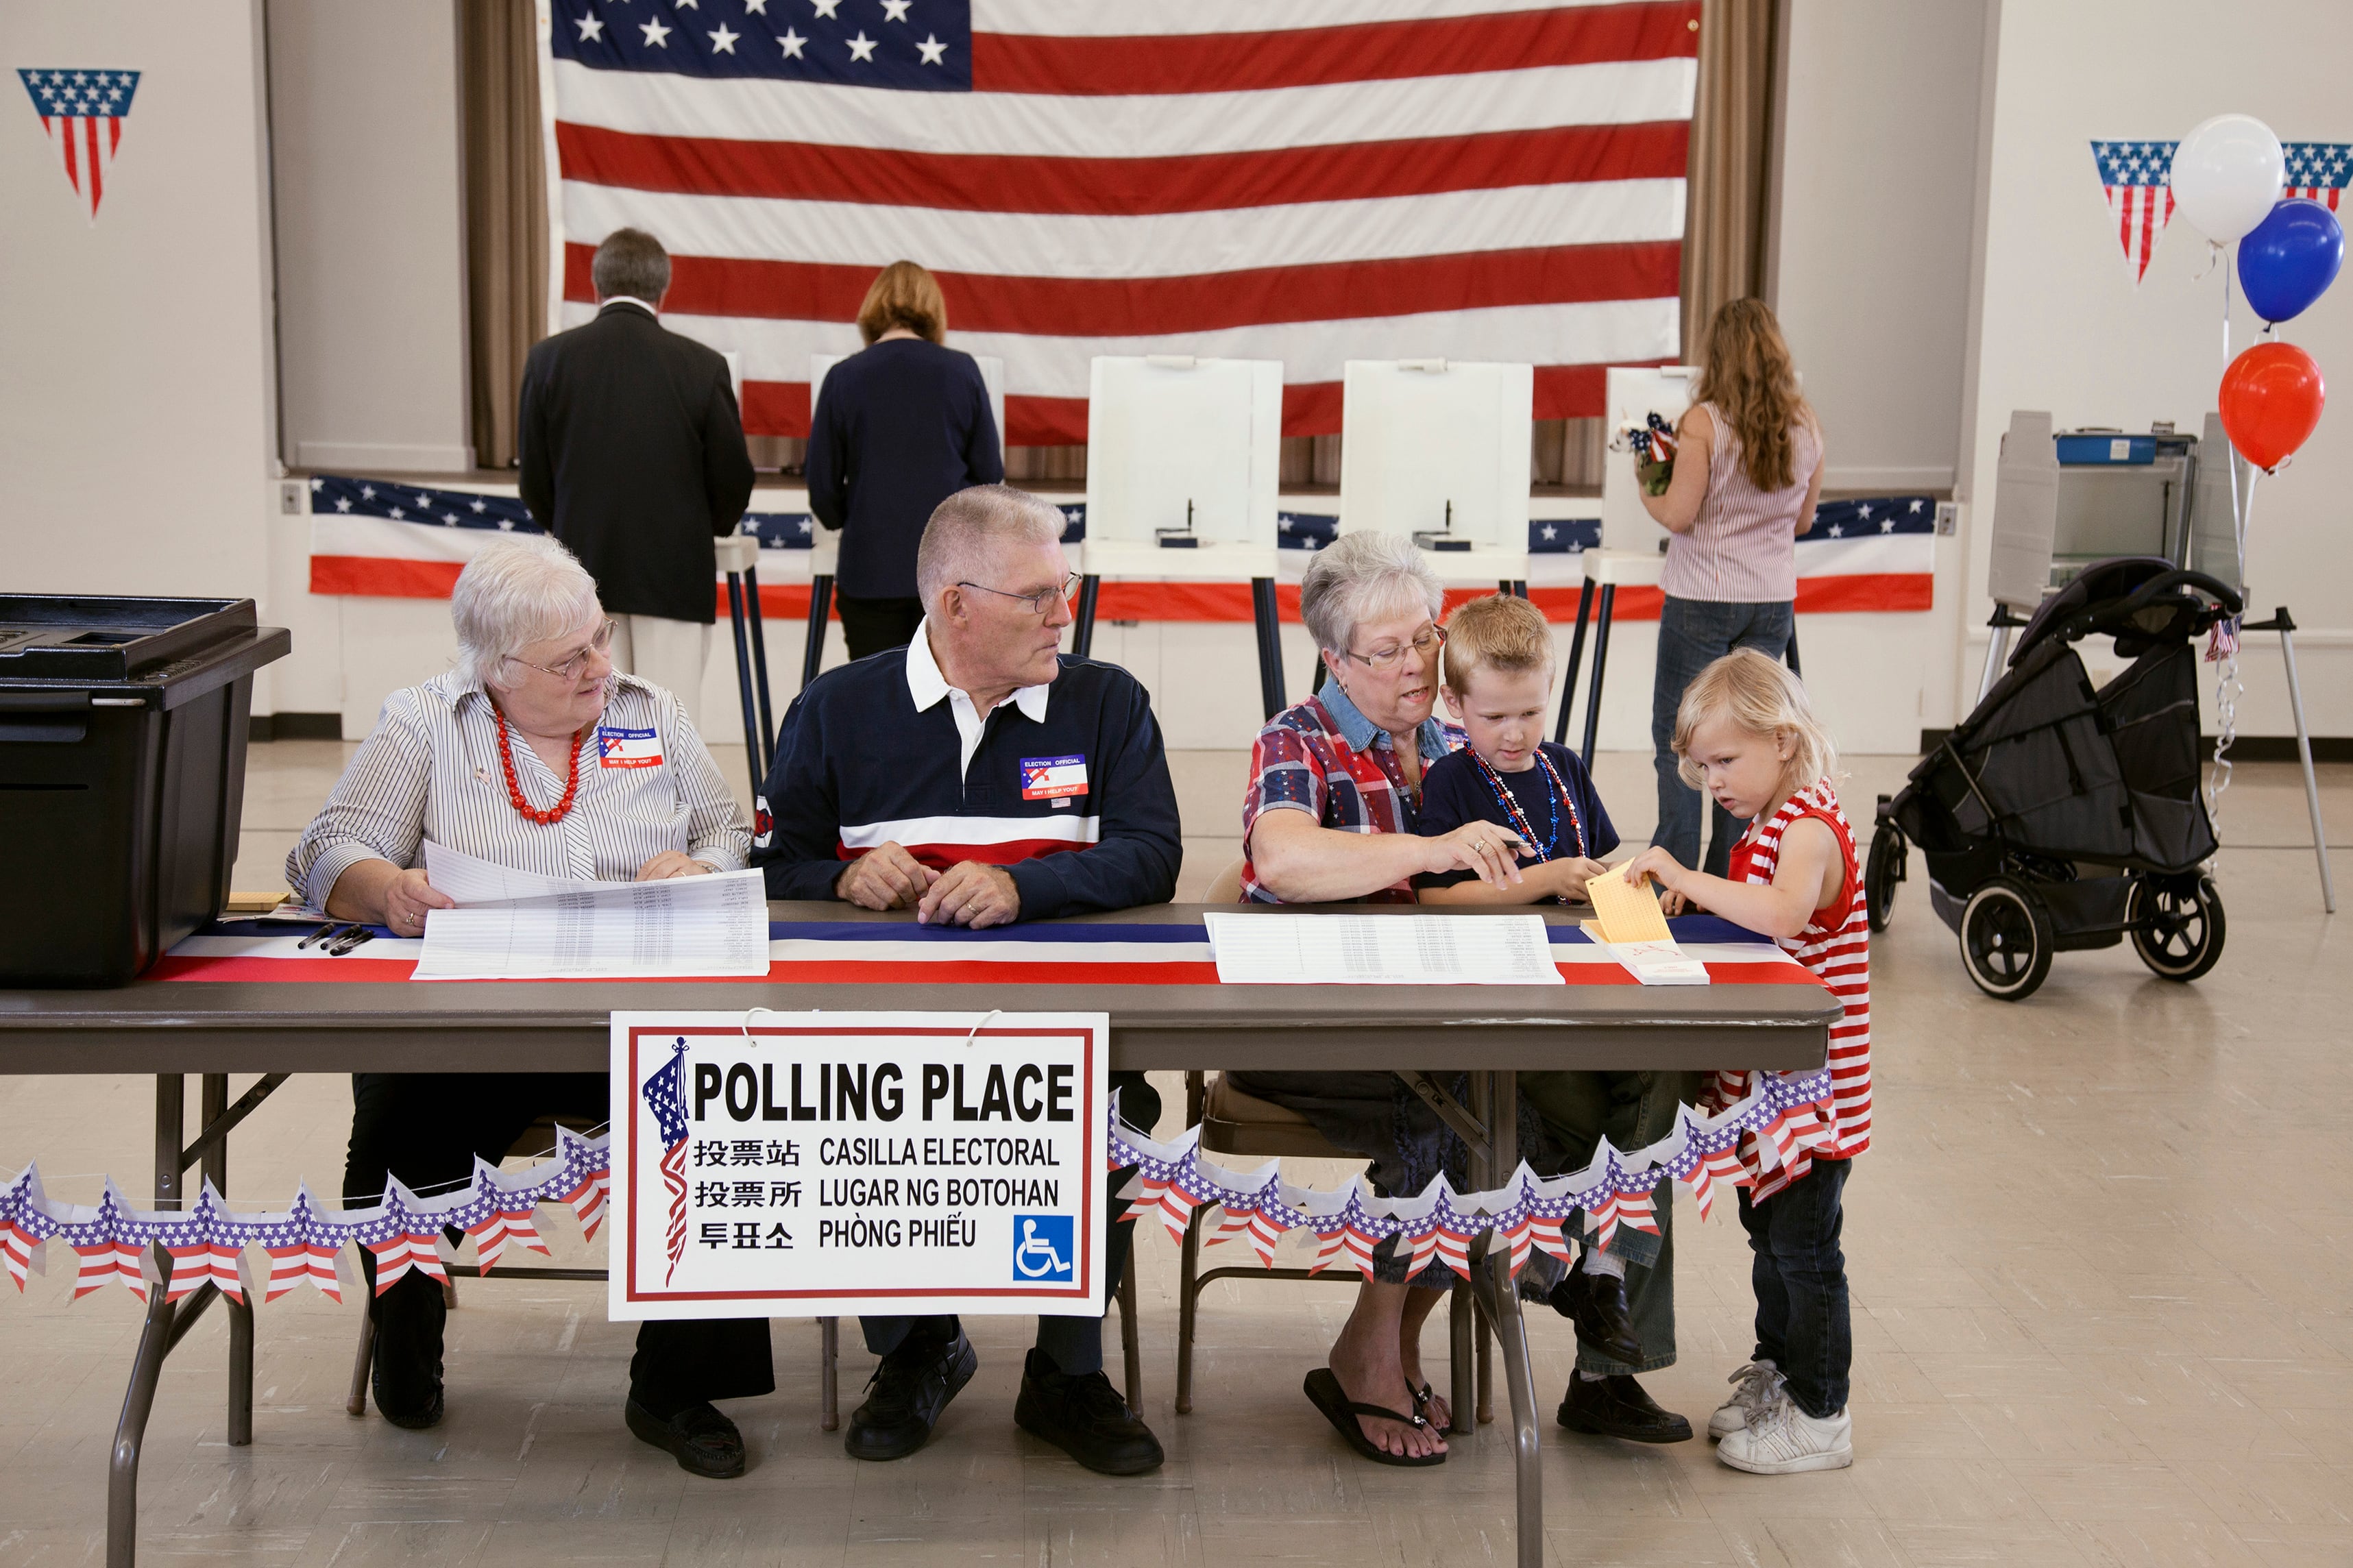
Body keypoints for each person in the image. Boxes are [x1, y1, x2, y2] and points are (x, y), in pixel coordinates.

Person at [285, 536, 772, 1480]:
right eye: (569, 658)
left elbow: (724, 826)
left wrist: (702, 864)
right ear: (494, 668)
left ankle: (676, 1386)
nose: (599, 668)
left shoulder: (652, 712)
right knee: (396, 1127)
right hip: (480, 1026)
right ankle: (407, 1324)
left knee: (720, 1120)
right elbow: (323, 851)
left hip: (642, 1022)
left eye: (598, 639)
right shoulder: (425, 723)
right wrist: (387, 890)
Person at [749, 483, 1179, 1475]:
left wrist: (1023, 887)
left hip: (1064, 1030)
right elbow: (768, 870)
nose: (1063, 615)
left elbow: (1153, 853)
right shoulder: (836, 709)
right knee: (848, 1108)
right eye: (1035, 596)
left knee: (1106, 1113)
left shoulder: (1105, 702)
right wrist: (843, 873)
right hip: (887, 1031)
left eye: (1063, 590)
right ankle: (915, 1349)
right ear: (955, 605)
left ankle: (1066, 1374)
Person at [1229, 533, 1531, 1467]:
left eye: (1426, 640)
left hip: (1431, 1023)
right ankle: (1372, 1344)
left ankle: (1388, 1338)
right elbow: (1280, 855)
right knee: (1463, 1100)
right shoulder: (1297, 739)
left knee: (1513, 1100)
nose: (1417, 666)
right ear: (1332, 659)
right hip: (1309, 1037)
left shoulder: (1453, 740)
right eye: (1387, 651)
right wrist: (1427, 851)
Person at [1412, 591, 1698, 1444]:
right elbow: (1437, 896)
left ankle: (1597, 1282)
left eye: (1531, 709)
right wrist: (1540, 881)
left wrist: (1643, 883)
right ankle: (1601, 1334)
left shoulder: (1565, 769)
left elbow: (1601, 860)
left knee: (1659, 1093)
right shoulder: (1453, 779)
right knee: (1633, 1153)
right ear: (1454, 706)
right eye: (1494, 714)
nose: (1515, 731)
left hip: (1586, 994)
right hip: (1509, 1018)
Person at [1616, 648, 1868, 1474]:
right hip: (1769, 1095)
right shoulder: (1763, 823)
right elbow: (1753, 922)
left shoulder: (1806, 825)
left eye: (1726, 759)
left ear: (1785, 740)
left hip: (1811, 1095)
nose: (1711, 779)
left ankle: (1822, 1411)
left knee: (1804, 1250)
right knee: (1770, 1237)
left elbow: (1786, 911)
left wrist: (1690, 873)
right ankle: (1781, 1372)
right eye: (1699, 764)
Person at [519, 227, 755, 718]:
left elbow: (535, 483)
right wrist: (697, 530)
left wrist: (570, 532)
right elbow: (734, 478)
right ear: (662, 290)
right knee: (664, 724)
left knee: (587, 727)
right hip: (674, 575)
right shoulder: (701, 366)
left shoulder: (548, 361)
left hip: (579, 578)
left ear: (595, 286)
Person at [1640, 297, 1824, 879]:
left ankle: (1672, 871)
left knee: (1680, 737)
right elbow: (1802, 522)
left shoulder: (1704, 424)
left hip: (1703, 594)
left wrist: (1647, 477)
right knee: (1744, 739)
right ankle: (1729, 878)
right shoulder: (1805, 425)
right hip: (1770, 600)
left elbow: (1676, 515)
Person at [806, 260, 1006, 660]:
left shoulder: (843, 377)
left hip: (870, 570)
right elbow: (989, 477)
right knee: (951, 707)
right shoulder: (962, 372)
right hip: (953, 575)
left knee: (877, 701)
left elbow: (823, 489)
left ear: (873, 308)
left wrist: (860, 516)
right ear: (934, 309)